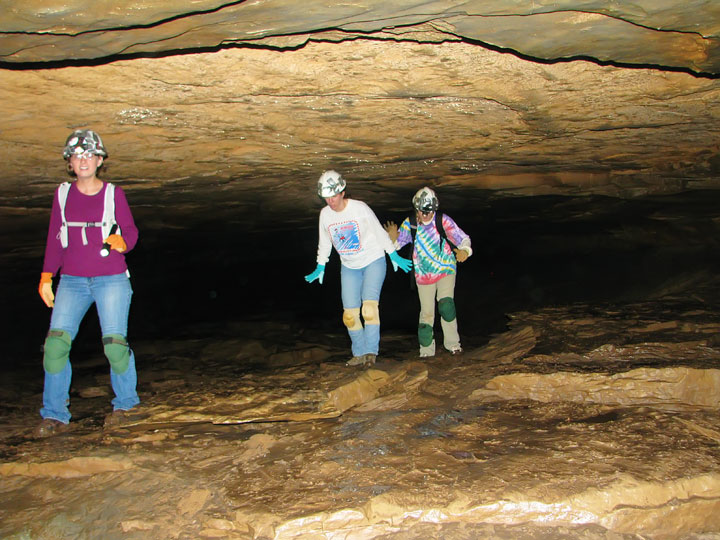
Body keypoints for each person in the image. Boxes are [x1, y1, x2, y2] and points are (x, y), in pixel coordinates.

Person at [35, 129, 141, 437]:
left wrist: (122, 241)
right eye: (77, 156)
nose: (84, 160)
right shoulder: (63, 194)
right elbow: (55, 237)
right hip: (72, 281)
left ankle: (126, 405)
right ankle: (54, 414)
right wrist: (46, 275)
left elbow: (132, 233)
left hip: (111, 279)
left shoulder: (113, 194)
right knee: (55, 345)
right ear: (69, 162)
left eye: (90, 155)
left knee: (115, 345)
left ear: (99, 161)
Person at [305, 170, 412, 366]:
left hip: (373, 260)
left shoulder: (359, 208)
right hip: (349, 266)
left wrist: (393, 254)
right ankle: (359, 353)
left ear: (342, 192)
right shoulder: (325, 215)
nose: (331, 201)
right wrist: (320, 265)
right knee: (349, 315)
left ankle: (371, 352)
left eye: (334, 196)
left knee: (369, 309)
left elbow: (379, 232)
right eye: (326, 197)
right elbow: (326, 242)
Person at [384, 186, 472, 358]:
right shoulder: (411, 223)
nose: (424, 215)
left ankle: (453, 345)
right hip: (423, 275)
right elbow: (395, 248)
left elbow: (464, 239)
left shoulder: (442, 220)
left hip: (446, 267)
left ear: (434, 209)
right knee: (426, 314)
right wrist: (392, 239)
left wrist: (465, 251)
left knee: (446, 305)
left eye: (428, 211)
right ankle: (426, 352)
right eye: (421, 211)